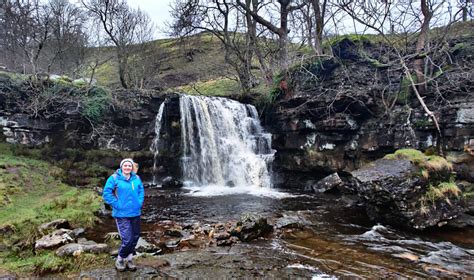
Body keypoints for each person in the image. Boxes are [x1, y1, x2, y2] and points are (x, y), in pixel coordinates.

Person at [103, 158, 145, 272]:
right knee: (127, 239)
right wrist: (117, 204)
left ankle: (130, 259)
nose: (127, 167)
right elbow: (106, 193)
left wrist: (139, 202)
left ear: (132, 167)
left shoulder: (136, 178)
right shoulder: (114, 178)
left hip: (135, 212)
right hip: (122, 214)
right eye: (125, 165)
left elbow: (141, 190)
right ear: (121, 167)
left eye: (129, 166)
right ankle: (120, 259)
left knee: (135, 237)